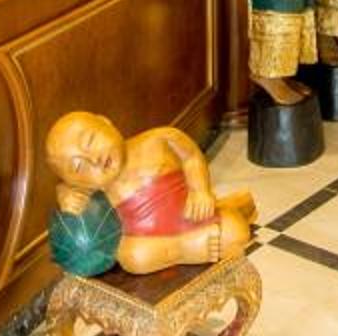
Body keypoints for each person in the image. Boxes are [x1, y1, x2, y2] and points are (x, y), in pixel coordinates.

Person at [45, 111, 257, 275]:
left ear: (106, 122)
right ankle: (186, 248)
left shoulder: (159, 139)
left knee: (236, 231)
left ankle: (205, 232)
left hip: (190, 217)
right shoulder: (95, 186)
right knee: (132, 257)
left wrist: (200, 191)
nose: (94, 159)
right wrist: (64, 195)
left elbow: (191, 157)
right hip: (150, 241)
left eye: (90, 141)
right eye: (79, 167)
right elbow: (68, 189)